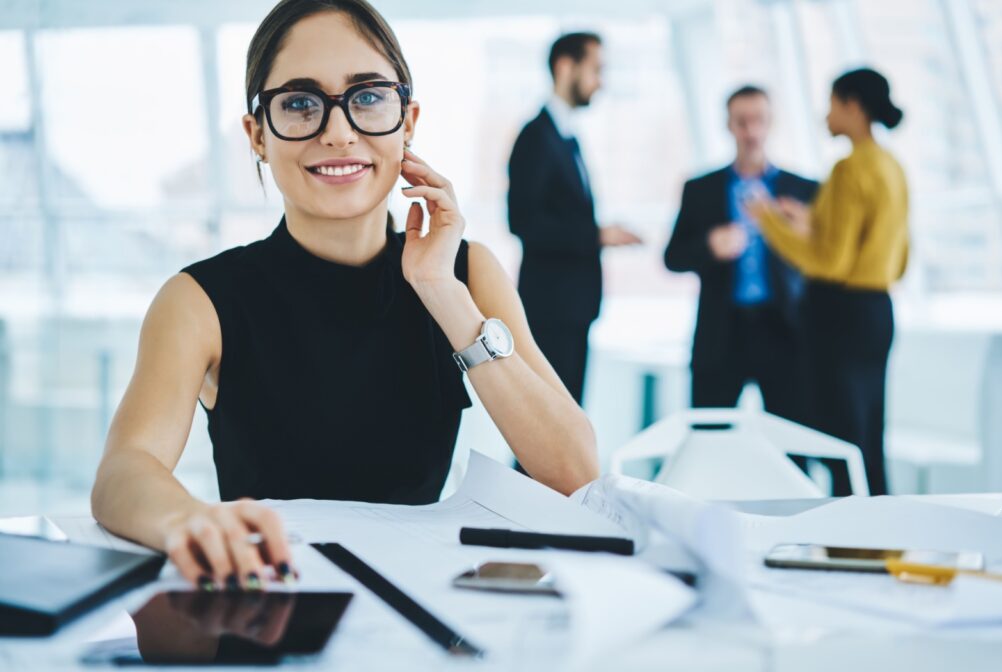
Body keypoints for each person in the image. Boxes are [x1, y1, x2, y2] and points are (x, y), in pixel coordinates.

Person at [91, 0, 599, 591]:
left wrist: (441, 291)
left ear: (407, 122)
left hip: (425, 606)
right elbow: (124, 471)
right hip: (274, 600)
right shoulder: (200, 299)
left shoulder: (466, 275)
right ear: (258, 134)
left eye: (367, 97)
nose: (338, 132)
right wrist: (189, 522)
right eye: (301, 104)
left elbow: (576, 471)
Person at [750, 68, 909, 495]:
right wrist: (810, 220)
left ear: (853, 106)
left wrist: (768, 222)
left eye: (833, 104)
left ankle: (846, 539)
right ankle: (877, 535)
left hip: (838, 314)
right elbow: (888, 249)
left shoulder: (848, 168)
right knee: (868, 430)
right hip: (877, 311)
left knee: (838, 434)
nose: (826, 115)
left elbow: (830, 261)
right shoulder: (891, 166)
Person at [664, 86, 817, 425]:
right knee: (708, 437)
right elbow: (672, 257)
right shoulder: (700, 189)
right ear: (729, 126)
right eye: (742, 122)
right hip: (721, 334)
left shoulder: (803, 190)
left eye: (758, 120)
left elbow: (823, 259)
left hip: (783, 332)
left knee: (792, 444)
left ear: (771, 123)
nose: (751, 131)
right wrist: (709, 245)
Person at [507, 32, 641, 404]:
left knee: (561, 419)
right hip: (551, 309)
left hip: (570, 307)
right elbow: (524, 222)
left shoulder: (566, 136)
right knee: (546, 424)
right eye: (596, 69)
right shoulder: (536, 137)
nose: (601, 82)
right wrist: (598, 235)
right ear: (566, 67)